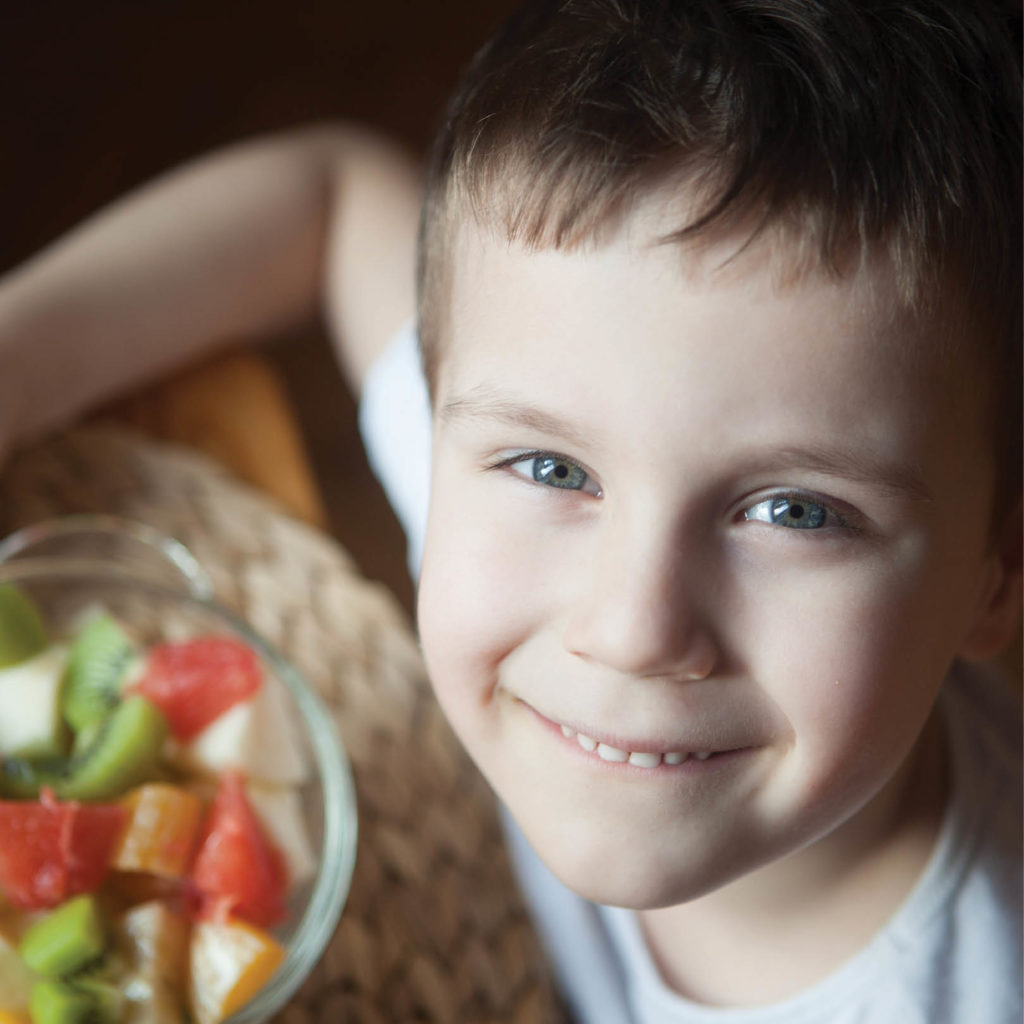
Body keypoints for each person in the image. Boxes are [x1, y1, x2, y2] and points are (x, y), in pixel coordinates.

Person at [1, 1, 1020, 1020]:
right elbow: (333, 192)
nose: (629, 628)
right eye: (554, 469)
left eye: (794, 511)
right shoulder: (510, 455)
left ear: (999, 568)